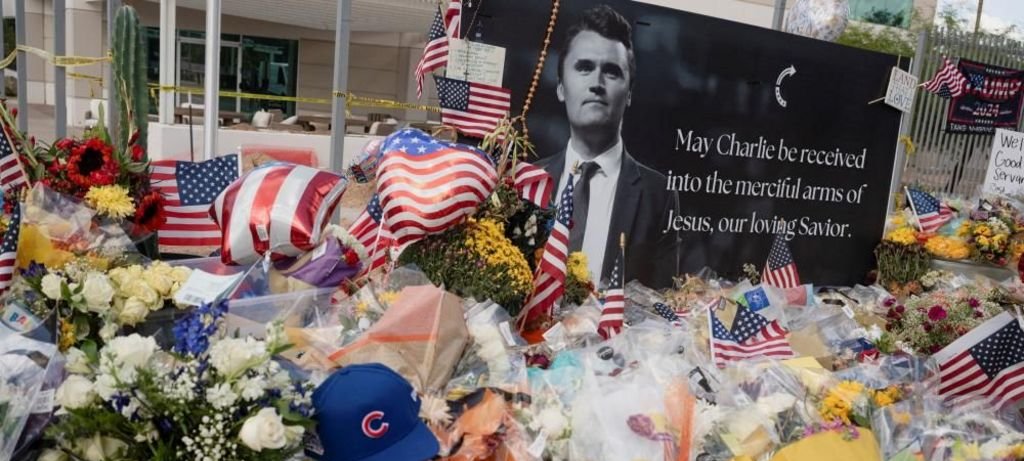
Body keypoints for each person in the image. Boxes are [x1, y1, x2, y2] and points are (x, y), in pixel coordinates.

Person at [538, 4, 680, 289]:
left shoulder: (659, 195)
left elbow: (662, 302)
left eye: (612, 72)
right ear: (561, 87)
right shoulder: (528, 181)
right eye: (584, 67)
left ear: (629, 94)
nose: (596, 83)